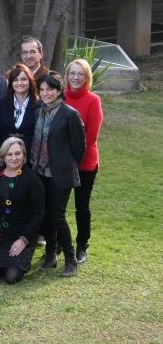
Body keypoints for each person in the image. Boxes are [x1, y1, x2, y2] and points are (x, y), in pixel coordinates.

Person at [30, 72, 85, 277]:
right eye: (42, 89)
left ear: (59, 90)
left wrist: (64, 165)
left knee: (57, 216)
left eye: (50, 89)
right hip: (39, 171)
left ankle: (70, 259)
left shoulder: (69, 114)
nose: (45, 93)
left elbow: (79, 148)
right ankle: (50, 254)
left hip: (60, 174)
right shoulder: (39, 112)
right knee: (44, 214)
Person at [0, 137, 44, 284]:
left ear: (24, 155)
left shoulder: (32, 179)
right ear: (3, 156)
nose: (14, 158)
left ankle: (15, 261)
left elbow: (38, 213)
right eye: (9, 154)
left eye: (18, 153)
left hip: (21, 235)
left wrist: (24, 240)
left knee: (11, 277)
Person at [64, 59, 103, 264]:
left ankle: (81, 246)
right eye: (73, 73)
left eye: (81, 74)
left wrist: (71, 156)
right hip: (62, 163)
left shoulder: (93, 100)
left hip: (85, 163)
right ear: (67, 75)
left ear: (87, 77)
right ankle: (58, 244)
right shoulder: (61, 97)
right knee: (58, 207)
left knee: (82, 206)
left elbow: (91, 136)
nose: (76, 77)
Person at [0, 63, 38, 168]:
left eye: (23, 79)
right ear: (11, 83)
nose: (19, 83)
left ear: (30, 81)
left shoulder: (38, 105)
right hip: (6, 156)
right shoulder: (2, 103)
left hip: (29, 158)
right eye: (16, 80)